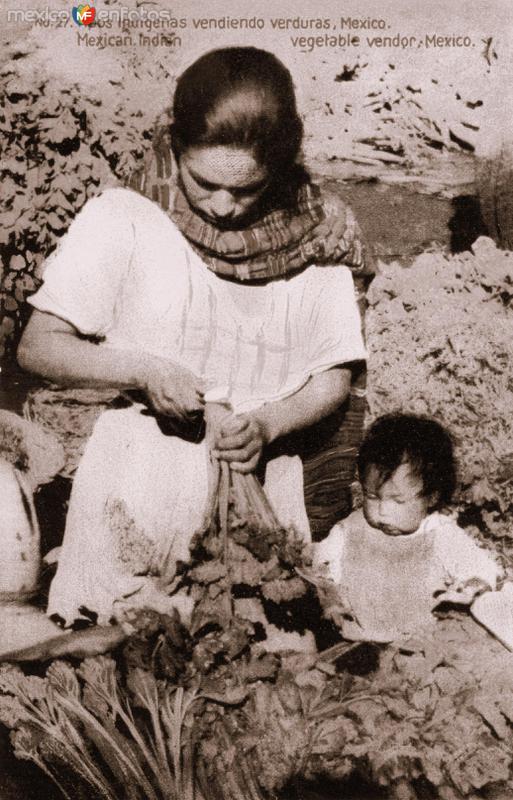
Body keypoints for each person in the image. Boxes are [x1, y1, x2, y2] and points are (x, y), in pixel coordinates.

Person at [18, 47, 368, 628]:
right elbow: (39, 345)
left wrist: (270, 423)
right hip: (137, 488)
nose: (223, 207)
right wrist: (143, 372)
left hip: (261, 492)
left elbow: (333, 375)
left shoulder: (319, 234)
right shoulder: (124, 217)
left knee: (261, 672)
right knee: (109, 652)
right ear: (175, 146)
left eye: (249, 190)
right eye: (204, 182)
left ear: (280, 169)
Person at [314, 414, 501, 642]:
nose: (382, 510)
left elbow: (480, 570)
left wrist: (469, 588)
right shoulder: (350, 529)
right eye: (372, 496)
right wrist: (330, 595)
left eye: (397, 501)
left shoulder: (439, 534)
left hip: (418, 648)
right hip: (354, 639)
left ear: (431, 497)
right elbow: (322, 565)